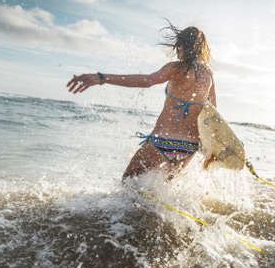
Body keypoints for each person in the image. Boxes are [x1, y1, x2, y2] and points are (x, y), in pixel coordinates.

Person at [67, 24, 216, 181]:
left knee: (128, 182)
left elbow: (148, 80)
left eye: (178, 47)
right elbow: (213, 112)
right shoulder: (209, 74)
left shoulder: (175, 67)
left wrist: (103, 78)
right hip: (187, 148)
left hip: (163, 141)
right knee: (163, 191)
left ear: (182, 46)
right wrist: (212, 148)